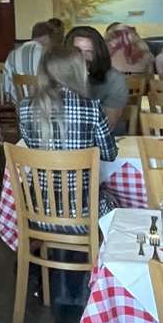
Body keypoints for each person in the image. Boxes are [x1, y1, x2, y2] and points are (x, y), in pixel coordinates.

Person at [17, 45, 118, 308]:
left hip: (37, 212)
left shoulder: (25, 108)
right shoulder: (92, 108)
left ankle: (53, 283)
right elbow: (109, 153)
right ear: (75, 72)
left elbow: (29, 143)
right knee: (117, 205)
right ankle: (103, 289)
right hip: (83, 214)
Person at [68, 25, 128, 133]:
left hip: (106, 142)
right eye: (77, 51)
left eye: (89, 52)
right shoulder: (58, 76)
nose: (82, 57)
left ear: (98, 53)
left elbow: (106, 127)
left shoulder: (115, 80)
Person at [0, 20, 61, 103]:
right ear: (47, 37)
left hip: (21, 110)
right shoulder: (50, 55)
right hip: (47, 109)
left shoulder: (12, 55)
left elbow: (6, 88)